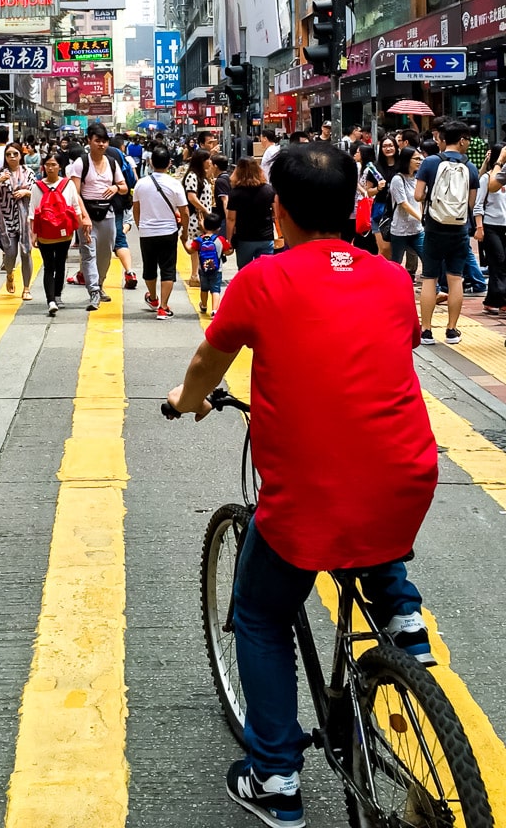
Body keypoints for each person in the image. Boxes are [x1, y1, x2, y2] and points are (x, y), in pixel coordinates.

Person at [167, 143, 438, 826]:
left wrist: (187, 398)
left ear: (279, 211)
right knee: (368, 506)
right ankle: (403, 618)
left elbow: (209, 358)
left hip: (311, 494)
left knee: (260, 614)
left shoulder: (261, 279)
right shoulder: (388, 279)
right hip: (407, 476)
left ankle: (277, 780)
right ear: (353, 207)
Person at [415, 120, 479, 346]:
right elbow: (471, 203)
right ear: (461, 140)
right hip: (459, 230)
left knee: (430, 279)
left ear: (443, 139)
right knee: (455, 279)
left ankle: (426, 331)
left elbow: (417, 195)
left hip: (434, 227)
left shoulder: (430, 163)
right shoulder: (470, 167)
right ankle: (452, 330)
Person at [69, 122, 127, 312]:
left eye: (104, 141)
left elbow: (124, 186)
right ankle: (93, 291)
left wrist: (116, 188)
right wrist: (83, 217)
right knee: (88, 253)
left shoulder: (112, 162)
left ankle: (100, 284)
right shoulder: (81, 163)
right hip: (87, 214)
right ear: (89, 141)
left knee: (105, 253)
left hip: (108, 214)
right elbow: (74, 192)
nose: (101, 145)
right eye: (97, 141)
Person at [131, 143, 189, 320]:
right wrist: (185, 232)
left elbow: (136, 209)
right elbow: (184, 211)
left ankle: (153, 298)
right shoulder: (174, 184)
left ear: (150, 162)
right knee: (168, 269)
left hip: (147, 233)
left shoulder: (141, 184)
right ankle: (163, 307)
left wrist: (141, 226)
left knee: (149, 268)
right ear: (170, 163)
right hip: (168, 232)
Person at [29, 151, 86, 316]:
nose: (50, 168)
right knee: (49, 266)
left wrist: (81, 229)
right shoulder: (36, 186)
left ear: (60, 166)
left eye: (54, 164)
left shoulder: (68, 184)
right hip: (45, 233)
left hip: (64, 233)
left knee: (60, 264)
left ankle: (57, 296)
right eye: (47, 165)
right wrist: (33, 234)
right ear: (43, 167)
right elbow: (32, 212)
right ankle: (51, 300)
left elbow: (75, 207)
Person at [0, 142, 36, 299]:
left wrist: (26, 192)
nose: (12, 157)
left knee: (26, 252)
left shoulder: (29, 173)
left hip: (25, 218)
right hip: (7, 219)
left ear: (21, 155)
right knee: (10, 253)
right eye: (9, 154)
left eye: (15, 154)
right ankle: (9, 273)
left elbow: (38, 194)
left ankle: (26, 288)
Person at [225, 158, 275, 270]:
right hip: (266, 238)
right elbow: (276, 214)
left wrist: (229, 239)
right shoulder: (268, 190)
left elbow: (231, 219)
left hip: (245, 238)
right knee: (264, 271)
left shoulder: (235, 193)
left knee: (244, 271)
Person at [475, 145, 506, 314]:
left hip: (504, 226)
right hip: (490, 226)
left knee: (501, 263)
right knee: (498, 261)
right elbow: (478, 205)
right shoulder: (486, 179)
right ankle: (500, 298)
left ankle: (494, 299)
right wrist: (479, 227)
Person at [108, 134, 139, 289]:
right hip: (119, 202)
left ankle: (87, 276)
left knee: (93, 242)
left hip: (95, 206)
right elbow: (133, 181)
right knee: (120, 238)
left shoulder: (92, 159)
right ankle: (129, 272)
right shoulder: (123, 158)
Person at [388, 146, 425, 273]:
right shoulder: (398, 179)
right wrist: (421, 218)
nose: (419, 161)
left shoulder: (417, 179)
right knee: (396, 263)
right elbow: (403, 203)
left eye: (420, 159)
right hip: (400, 230)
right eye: (416, 159)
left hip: (417, 229)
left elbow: (418, 200)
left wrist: (420, 219)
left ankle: (435, 288)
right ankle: (391, 288)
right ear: (407, 160)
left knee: (428, 258)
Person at [183, 149, 214, 286]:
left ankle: (201, 274)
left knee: (203, 246)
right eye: (208, 159)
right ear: (201, 161)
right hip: (197, 218)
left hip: (204, 217)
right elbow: (191, 197)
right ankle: (195, 275)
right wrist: (205, 210)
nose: (210, 162)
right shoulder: (192, 176)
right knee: (198, 246)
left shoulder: (202, 176)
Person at [187, 210, 227, 317]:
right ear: (219, 228)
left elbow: (190, 250)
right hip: (217, 270)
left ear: (204, 225)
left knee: (204, 289)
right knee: (216, 290)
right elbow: (228, 251)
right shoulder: (221, 240)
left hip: (202, 269)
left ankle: (204, 305)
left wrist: (182, 240)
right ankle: (214, 310)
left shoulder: (199, 240)